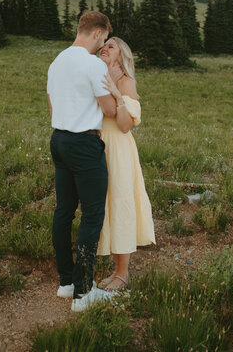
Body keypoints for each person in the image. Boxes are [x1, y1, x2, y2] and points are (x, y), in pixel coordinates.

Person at [47, 11, 117, 312]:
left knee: (63, 210)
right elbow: (110, 109)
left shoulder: (57, 61)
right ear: (97, 33)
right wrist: (115, 91)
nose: (103, 43)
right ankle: (84, 293)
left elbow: (51, 107)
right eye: (104, 37)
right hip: (84, 143)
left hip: (59, 139)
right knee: (92, 214)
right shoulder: (92, 64)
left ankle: (67, 282)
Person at [96, 37, 155, 291]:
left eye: (111, 45)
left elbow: (124, 124)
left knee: (121, 204)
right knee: (107, 204)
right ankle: (115, 269)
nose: (104, 48)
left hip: (118, 148)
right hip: (99, 146)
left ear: (121, 55)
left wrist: (117, 93)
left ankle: (123, 273)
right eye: (103, 45)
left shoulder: (126, 82)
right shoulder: (99, 76)